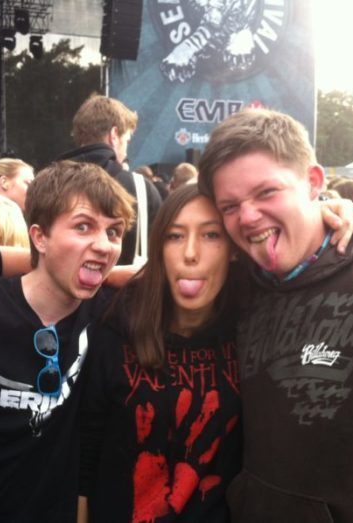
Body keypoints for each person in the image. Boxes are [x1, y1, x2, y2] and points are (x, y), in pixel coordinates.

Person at [197, 108, 353, 522]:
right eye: (230, 205)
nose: (248, 216)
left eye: (266, 192)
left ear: (313, 182)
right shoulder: (239, 288)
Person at [0, 160, 136, 522]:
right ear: (40, 236)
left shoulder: (109, 316)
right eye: (83, 226)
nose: (104, 245)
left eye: (114, 232)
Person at [79, 184, 243, 522]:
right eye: (175, 236)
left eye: (211, 235)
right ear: (159, 248)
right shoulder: (116, 322)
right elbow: (85, 453)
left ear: (233, 249)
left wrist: (335, 216)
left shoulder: (251, 325)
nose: (190, 253)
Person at [59, 94, 162, 265]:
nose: (126, 152)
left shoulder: (50, 184)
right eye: (127, 141)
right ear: (114, 135)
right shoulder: (142, 190)